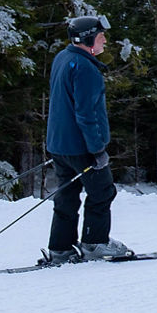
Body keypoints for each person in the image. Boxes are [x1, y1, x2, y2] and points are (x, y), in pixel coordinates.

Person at [42, 15, 127, 265]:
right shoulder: (86, 69)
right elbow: (86, 114)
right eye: (101, 36)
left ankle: (60, 248)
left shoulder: (63, 58)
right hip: (81, 146)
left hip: (59, 144)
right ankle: (95, 243)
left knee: (67, 195)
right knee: (102, 191)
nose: (105, 40)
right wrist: (97, 149)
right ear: (88, 38)